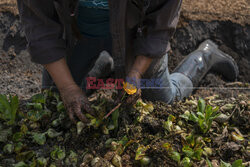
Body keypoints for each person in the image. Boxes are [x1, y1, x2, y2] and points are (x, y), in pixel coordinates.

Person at [17, 0, 238, 123]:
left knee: (162, 101)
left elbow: (158, 28)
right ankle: (104, 63)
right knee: (55, 100)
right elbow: (40, 25)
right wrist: (67, 88)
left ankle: (205, 55)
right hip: (77, 35)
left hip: (136, 38)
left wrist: (135, 74)